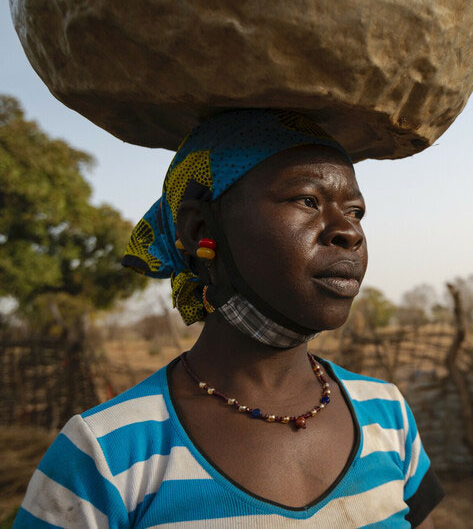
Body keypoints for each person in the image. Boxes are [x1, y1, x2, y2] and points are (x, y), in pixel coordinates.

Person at [15, 110, 444, 528]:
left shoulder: (387, 415)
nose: (348, 232)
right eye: (307, 200)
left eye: (354, 212)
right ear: (199, 227)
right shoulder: (105, 456)